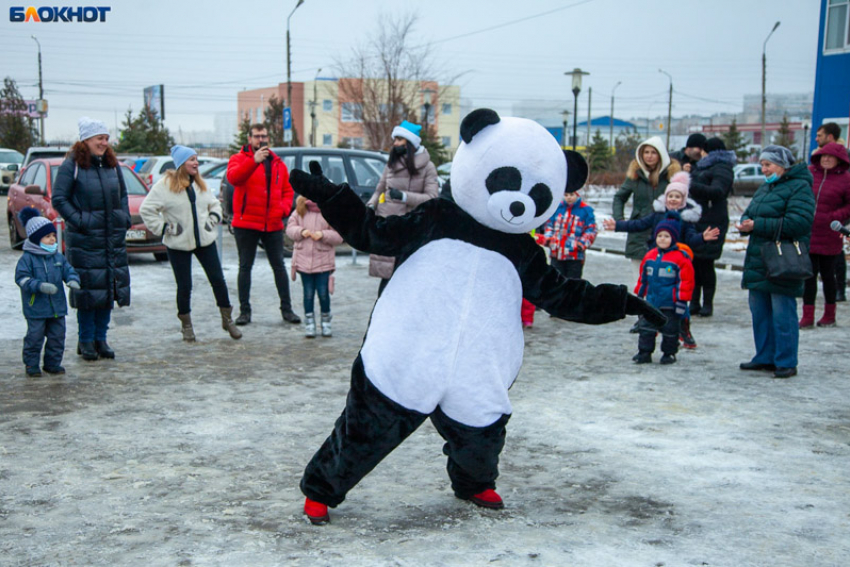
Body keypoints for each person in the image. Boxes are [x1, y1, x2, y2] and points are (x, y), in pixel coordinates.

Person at [604, 171, 718, 348]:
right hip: (657, 261)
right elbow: (639, 224)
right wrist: (618, 225)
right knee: (654, 294)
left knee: (678, 299)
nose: (673, 199)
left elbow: (691, 239)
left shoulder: (686, 219)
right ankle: (650, 324)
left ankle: (683, 327)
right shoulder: (657, 214)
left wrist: (702, 237)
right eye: (670, 195)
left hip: (676, 264)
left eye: (677, 196)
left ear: (684, 199)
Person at [140, 145, 241, 342]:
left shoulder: (199, 184)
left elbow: (214, 204)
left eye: (196, 159)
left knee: (218, 280)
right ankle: (186, 324)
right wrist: (164, 228)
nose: (196, 163)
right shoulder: (164, 185)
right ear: (180, 164)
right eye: (191, 159)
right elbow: (147, 210)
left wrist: (212, 219)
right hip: (178, 243)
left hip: (204, 241)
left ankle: (227, 319)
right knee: (185, 285)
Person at [51, 117, 131, 361]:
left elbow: (123, 195)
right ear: (86, 140)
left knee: (108, 289)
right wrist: (82, 221)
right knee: (88, 292)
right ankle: (86, 340)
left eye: (106, 138)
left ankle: (101, 338)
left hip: (111, 239)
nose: (104, 143)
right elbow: (59, 199)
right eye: (100, 138)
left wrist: (124, 218)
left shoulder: (112, 165)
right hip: (85, 241)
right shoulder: (72, 165)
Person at [736, 145, 815, 379]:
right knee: (760, 313)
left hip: (784, 260)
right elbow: (749, 212)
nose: (764, 169)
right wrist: (745, 223)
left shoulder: (799, 187)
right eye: (762, 164)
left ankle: (786, 361)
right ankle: (764, 356)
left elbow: (799, 223)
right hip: (759, 259)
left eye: (768, 164)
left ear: (783, 165)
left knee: (783, 315)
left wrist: (757, 225)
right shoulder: (765, 187)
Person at [226, 124, 300, 326]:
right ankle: (244, 311)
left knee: (278, 267)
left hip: (272, 223)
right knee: (245, 267)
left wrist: (283, 209)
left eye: (264, 136)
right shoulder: (239, 159)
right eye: (257, 136)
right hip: (246, 223)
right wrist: (253, 161)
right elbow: (234, 178)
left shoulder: (277, 163)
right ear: (249, 138)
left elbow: (287, 190)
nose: (261, 140)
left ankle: (287, 309)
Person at [366, 120, 439, 290]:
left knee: (407, 280)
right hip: (389, 225)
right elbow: (379, 189)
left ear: (410, 142)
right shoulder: (391, 164)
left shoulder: (427, 167)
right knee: (386, 283)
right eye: (395, 140)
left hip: (411, 230)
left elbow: (432, 198)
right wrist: (370, 206)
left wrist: (404, 197)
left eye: (399, 140)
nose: (395, 144)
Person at [15, 207, 81, 376]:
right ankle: (31, 365)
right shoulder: (28, 258)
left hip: (57, 307)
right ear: (37, 239)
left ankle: (52, 363)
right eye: (47, 237)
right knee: (35, 338)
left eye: (53, 236)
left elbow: (68, 270)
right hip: (36, 307)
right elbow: (22, 279)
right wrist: (39, 286)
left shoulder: (57, 257)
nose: (52, 239)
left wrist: (73, 279)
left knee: (57, 337)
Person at [612, 136, 682, 278]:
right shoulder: (635, 175)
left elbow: (683, 198)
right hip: (639, 233)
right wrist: (619, 220)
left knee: (663, 278)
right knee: (639, 280)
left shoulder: (672, 175)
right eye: (646, 152)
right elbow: (619, 197)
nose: (649, 156)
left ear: (661, 154)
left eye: (653, 152)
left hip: (665, 231)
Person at [799, 142, 850, 328]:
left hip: (830, 233)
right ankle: (807, 315)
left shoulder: (846, 179)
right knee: (808, 275)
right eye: (823, 156)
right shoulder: (810, 173)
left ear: (839, 159)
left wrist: (836, 217)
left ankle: (829, 314)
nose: (826, 159)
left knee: (829, 276)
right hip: (808, 232)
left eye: (830, 157)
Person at [632, 220, 694, 365]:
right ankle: (644, 352)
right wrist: (640, 296)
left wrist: (681, 302)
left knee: (670, 330)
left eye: (666, 236)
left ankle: (669, 353)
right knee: (646, 328)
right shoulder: (650, 256)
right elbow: (643, 278)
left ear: (673, 238)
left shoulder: (680, 258)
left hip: (670, 303)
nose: (662, 239)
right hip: (651, 302)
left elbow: (685, 282)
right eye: (659, 236)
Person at [687, 137, 736, 317]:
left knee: (706, 263)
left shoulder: (722, 167)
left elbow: (718, 191)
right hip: (698, 219)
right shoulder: (704, 166)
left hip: (713, 221)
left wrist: (690, 185)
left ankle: (707, 303)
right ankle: (694, 302)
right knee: (694, 262)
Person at [285, 195, 343, 338]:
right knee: (308, 294)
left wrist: (323, 234)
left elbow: (339, 236)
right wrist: (300, 231)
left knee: (323, 293)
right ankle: (309, 323)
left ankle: (326, 320)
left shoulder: (328, 210)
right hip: (304, 261)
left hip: (323, 261)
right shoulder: (300, 209)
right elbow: (290, 229)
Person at [814, 122, 849, 301]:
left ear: (830, 137)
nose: (816, 138)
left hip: (836, 218)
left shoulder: (844, 156)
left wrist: (840, 220)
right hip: (817, 219)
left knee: (836, 255)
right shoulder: (816, 158)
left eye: (820, 135)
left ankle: (839, 289)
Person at [540, 185, 597, 280]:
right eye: (566, 195)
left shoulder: (585, 210)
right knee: (555, 281)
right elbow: (549, 226)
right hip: (556, 253)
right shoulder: (557, 209)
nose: (569, 197)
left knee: (573, 283)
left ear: (577, 195)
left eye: (571, 194)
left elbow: (591, 229)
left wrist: (581, 244)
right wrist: (549, 239)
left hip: (574, 255)